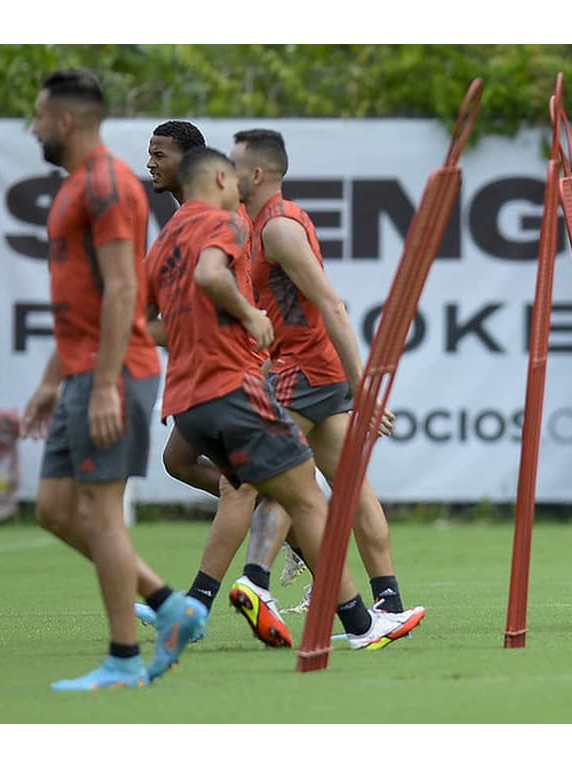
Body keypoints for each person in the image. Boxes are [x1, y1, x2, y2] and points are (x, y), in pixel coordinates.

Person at [144, 144, 424, 650]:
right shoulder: (227, 225)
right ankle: (365, 612)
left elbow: (329, 305)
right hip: (281, 373)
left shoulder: (252, 227)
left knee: (271, 489)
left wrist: (360, 387)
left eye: (159, 156)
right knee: (301, 492)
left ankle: (245, 588)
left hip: (292, 373)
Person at [21, 69, 205, 691]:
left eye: (40, 115)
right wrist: (53, 378)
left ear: (65, 121)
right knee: (52, 510)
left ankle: (125, 659)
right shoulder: (79, 185)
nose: (34, 127)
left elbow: (124, 289)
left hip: (113, 376)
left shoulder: (106, 185)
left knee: (101, 515)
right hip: (79, 372)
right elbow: (82, 298)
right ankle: (169, 603)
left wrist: (101, 385)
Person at [227, 128, 411, 618]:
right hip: (314, 372)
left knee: (276, 480)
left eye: (235, 165)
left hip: (305, 372)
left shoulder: (279, 228)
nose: (227, 173)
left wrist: (363, 388)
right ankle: (389, 600)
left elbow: (332, 303)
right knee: (350, 484)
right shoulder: (266, 220)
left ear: (259, 174)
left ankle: (256, 582)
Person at [136, 120, 292, 649]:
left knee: (240, 485)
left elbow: (235, 283)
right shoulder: (181, 223)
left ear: (193, 161)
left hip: (243, 366)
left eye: (159, 153)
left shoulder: (225, 217)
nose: (150, 162)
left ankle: (197, 605)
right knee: (179, 462)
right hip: (205, 372)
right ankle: (287, 535)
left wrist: (257, 329)